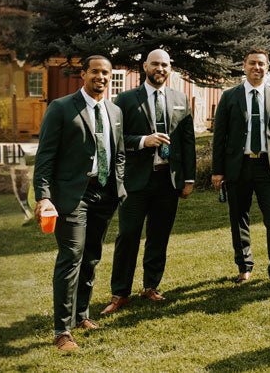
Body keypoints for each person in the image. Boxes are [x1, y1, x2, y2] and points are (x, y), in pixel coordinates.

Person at [34, 55, 127, 352]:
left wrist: (119, 185)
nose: (101, 77)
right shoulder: (61, 108)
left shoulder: (115, 110)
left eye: (106, 73)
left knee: (91, 256)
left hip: (105, 193)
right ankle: (62, 331)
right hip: (71, 196)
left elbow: (119, 153)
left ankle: (81, 315)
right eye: (95, 72)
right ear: (83, 74)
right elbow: (45, 157)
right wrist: (44, 196)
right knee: (71, 255)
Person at [103, 49, 197, 314]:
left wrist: (188, 178)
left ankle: (151, 286)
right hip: (135, 181)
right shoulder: (126, 99)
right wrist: (144, 141)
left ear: (170, 68)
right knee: (128, 235)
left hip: (168, 180)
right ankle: (120, 292)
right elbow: (117, 138)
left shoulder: (180, 99)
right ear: (145, 66)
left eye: (165, 65)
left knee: (159, 236)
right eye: (155, 64)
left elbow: (187, 141)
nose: (160, 68)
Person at [211, 49, 270, 284]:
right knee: (239, 218)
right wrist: (218, 170)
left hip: (268, 168)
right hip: (238, 167)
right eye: (252, 63)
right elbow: (220, 137)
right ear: (244, 65)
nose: (256, 67)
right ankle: (244, 266)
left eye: (261, 64)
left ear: (267, 67)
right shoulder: (230, 97)